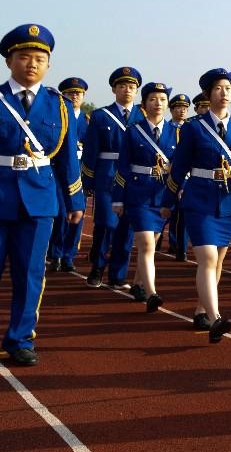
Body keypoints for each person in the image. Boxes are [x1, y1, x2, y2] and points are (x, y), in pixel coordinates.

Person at [0, 24, 85, 365]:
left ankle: (20, 338)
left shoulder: (58, 105)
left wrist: (75, 200)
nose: (32, 64)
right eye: (24, 56)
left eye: (39, 58)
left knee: (30, 273)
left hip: (39, 200)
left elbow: (67, 158)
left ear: (49, 65)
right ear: (9, 61)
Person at [162, 68, 231, 343]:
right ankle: (216, 318)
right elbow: (179, 167)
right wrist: (167, 200)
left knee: (218, 260)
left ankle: (201, 310)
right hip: (199, 198)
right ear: (208, 94)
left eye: (228, 89)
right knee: (207, 258)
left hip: (229, 200)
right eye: (218, 88)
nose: (224, 93)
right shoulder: (193, 127)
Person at [111, 82, 177, 311]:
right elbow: (123, 166)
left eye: (162, 100)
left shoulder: (177, 132)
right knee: (147, 243)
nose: (158, 103)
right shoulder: (133, 131)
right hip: (138, 194)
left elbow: (180, 166)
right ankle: (152, 293)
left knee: (151, 243)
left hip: (163, 194)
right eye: (152, 99)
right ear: (144, 104)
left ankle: (138, 284)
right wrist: (118, 199)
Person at [83, 67, 143, 290]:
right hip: (108, 176)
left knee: (127, 228)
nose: (127, 90)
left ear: (136, 90)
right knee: (106, 224)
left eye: (131, 86)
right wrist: (88, 180)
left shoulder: (143, 116)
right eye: (122, 86)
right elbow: (90, 151)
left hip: (134, 179)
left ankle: (118, 274)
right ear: (114, 89)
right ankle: (98, 267)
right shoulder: (100, 116)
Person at [47, 76, 89, 271]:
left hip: (79, 171)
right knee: (61, 213)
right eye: (70, 93)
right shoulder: (56, 116)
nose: (75, 96)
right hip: (57, 171)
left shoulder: (88, 121)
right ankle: (56, 254)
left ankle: (69, 255)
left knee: (78, 214)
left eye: (78, 93)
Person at [164, 93, 190, 259]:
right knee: (165, 212)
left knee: (183, 213)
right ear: (172, 110)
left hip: (186, 177)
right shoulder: (166, 129)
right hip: (165, 177)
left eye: (185, 108)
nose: (182, 111)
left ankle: (180, 247)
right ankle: (158, 240)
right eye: (178, 108)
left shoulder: (192, 129)